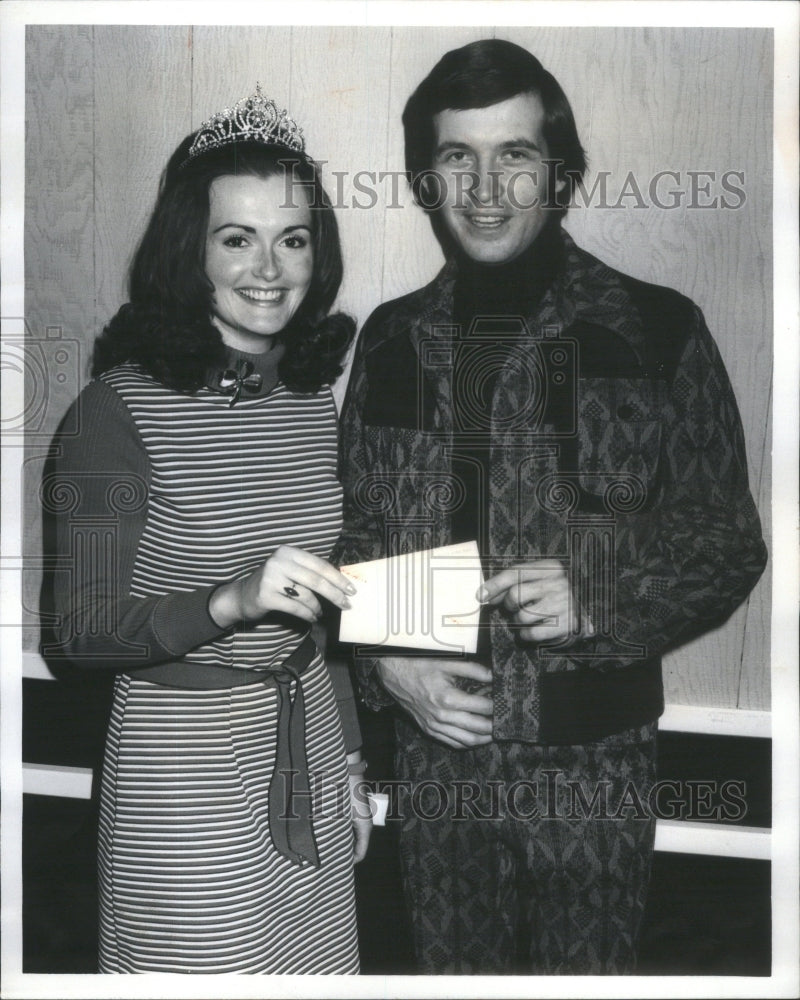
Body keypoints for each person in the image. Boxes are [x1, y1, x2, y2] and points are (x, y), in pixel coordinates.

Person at [336, 40, 767, 974]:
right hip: (436, 761)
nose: (486, 188)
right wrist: (390, 665)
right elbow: (364, 535)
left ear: (560, 173)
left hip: (595, 763)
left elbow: (727, 543)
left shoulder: (656, 329)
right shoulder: (392, 339)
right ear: (426, 178)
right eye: (459, 157)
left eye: (516, 156)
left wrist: (599, 599)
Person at [48, 86, 371, 974]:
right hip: (181, 769)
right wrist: (227, 600)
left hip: (302, 740)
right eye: (237, 238)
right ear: (190, 252)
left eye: (292, 238)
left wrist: (347, 759)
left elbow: (322, 618)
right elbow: (73, 633)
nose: (268, 266)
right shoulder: (112, 412)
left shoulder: (312, 402)